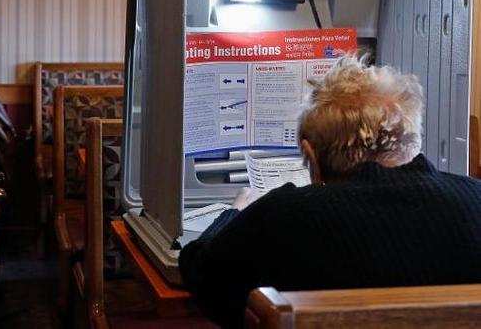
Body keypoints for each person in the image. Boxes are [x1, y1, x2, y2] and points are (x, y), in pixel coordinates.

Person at [179, 56, 481, 328]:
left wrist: (234, 214)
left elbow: (203, 273)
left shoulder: (286, 215)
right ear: (413, 139)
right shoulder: (475, 199)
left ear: (310, 155)